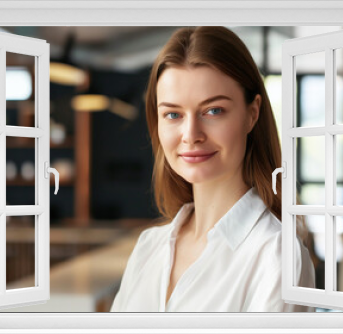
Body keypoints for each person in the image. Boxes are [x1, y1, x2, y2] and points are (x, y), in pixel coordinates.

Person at [110, 26, 315, 312]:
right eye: (173, 114)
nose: (191, 134)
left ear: (252, 114)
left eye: (213, 111)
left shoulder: (275, 255)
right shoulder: (148, 247)